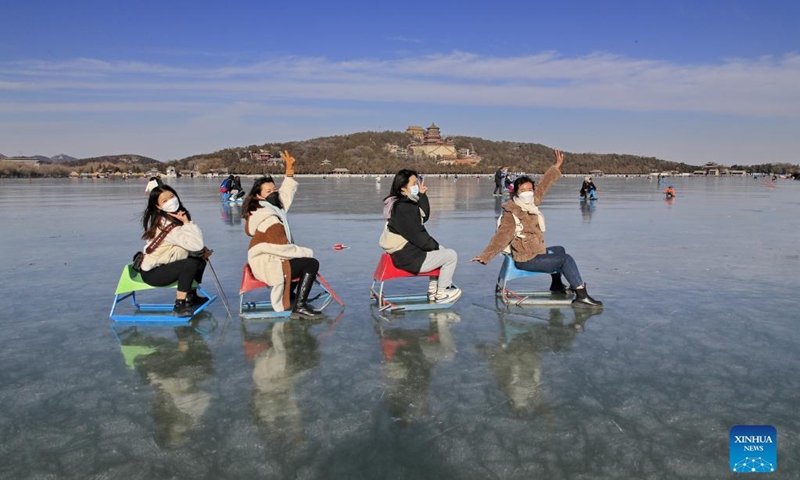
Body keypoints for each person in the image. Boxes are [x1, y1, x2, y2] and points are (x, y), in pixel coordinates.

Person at [472, 149, 602, 307]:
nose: (527, 193)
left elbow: (544, 185)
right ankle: (581, 295)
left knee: (559, 249)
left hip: (534, 252)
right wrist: (485, 255)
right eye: (523, 190)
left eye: (529, 190)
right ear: (516, 193)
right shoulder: (512, 211)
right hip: (526, 258)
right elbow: (502, 236)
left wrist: (556, 166)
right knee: (565, 259)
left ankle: (556, 285)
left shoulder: (531, 203)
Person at [242, 151, 321, 317]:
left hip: (268, 259)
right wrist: (305, 252)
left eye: (274, 189)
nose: (274, 192)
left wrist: (289, 172)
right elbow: (281, 248)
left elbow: (284, 195)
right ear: (259, 196)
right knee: (311, 263)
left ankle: (293, 295)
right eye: (268, 191)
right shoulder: (269, 218)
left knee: (298, 261)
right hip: (268, 263)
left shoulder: (268, 209)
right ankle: (300, 305)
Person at [381, 169, 461, 303]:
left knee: (440, 250)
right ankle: (442, 292)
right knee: (451, 256)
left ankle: (432, 289)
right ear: (403, 187)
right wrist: (434, 247)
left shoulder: (404, 203)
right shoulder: (404, 208)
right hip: (409, 258)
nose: (416, 186)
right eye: (413, 183)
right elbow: (418, 235)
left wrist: (422, 195)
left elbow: (424, 215)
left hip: (406, 253)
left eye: (416, 182)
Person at [139, 184, 211, 317]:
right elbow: (197, 245)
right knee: (190, 264)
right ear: (158, 206)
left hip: (166, 264)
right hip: (153, 273)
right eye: (165, 200)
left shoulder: (173, 219)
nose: (171, 201)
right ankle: (180, 304)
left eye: (172, 197)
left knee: (199, 259)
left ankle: (191, 295)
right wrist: (188, 223)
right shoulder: (167, 224)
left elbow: (190, 246)